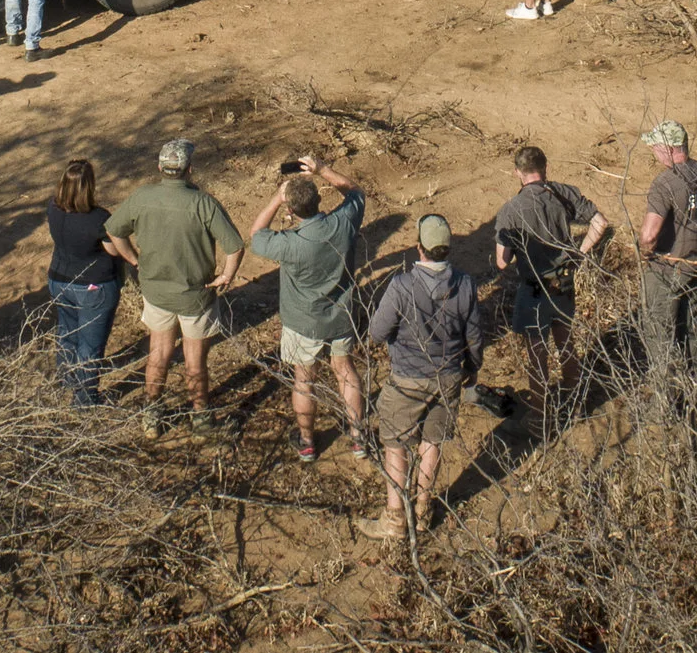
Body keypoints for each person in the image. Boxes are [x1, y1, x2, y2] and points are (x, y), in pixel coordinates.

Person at [104, 138, 244, 438]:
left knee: (159, 352)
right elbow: (235, 247)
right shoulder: (203, 203)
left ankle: (152, 415)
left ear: (160, 168)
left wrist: (134, 260)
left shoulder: (142, 197)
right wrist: (226, 276)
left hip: (156, 293)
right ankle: (201, 418)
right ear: (189, 169)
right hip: (196, 296)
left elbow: (114, 231)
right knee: (195, 360)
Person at [359, 213, 483, 541]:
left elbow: (377, 332)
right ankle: (423, 511)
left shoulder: (402, 286)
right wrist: (472, 369)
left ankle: (395, 519)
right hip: (448, 377)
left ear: (419, 247)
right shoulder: (466, 284)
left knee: (396, 444)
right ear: (448, 248)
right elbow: (474, 335)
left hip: (406, 379)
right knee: (432, 442)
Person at [248, 154, 368, 465]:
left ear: (291, 211)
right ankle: (358, 437)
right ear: (319, 201)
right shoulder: (342, 224)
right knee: (346, 372)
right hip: (341, 316)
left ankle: (307, 442)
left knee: (304, 379)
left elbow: (256, 235)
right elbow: (355, 191)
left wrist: (277, 198)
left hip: (303, 322)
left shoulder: (289, 243)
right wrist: (322, 169)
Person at [491, 145, 609, 413]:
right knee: (566, 344)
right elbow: (600, 223)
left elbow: (502, 262)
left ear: (517, 173)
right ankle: (574, 403)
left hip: (533, 290)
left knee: (537, 355)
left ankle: (540, 415)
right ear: (545, 168)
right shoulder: (564, 194)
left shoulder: (511, 210)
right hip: (564, 284)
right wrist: (578, 254)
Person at [636, 120, 697, 379]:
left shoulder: (665, 183)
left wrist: (646, 253)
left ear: (670, 149)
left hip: (667, 267)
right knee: (692, 328)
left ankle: (666, 395)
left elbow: (649, 235)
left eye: (655, 147)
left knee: (660, 333)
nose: (653, 152)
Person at [44, 158, 122, 406]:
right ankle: (85, 399)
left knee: (67, 334)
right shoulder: (99, 218)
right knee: (90, 344)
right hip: (92, 287)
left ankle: (66, 381)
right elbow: (113, 250)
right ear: (89, 186)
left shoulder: (53, 209)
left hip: (58, 280)